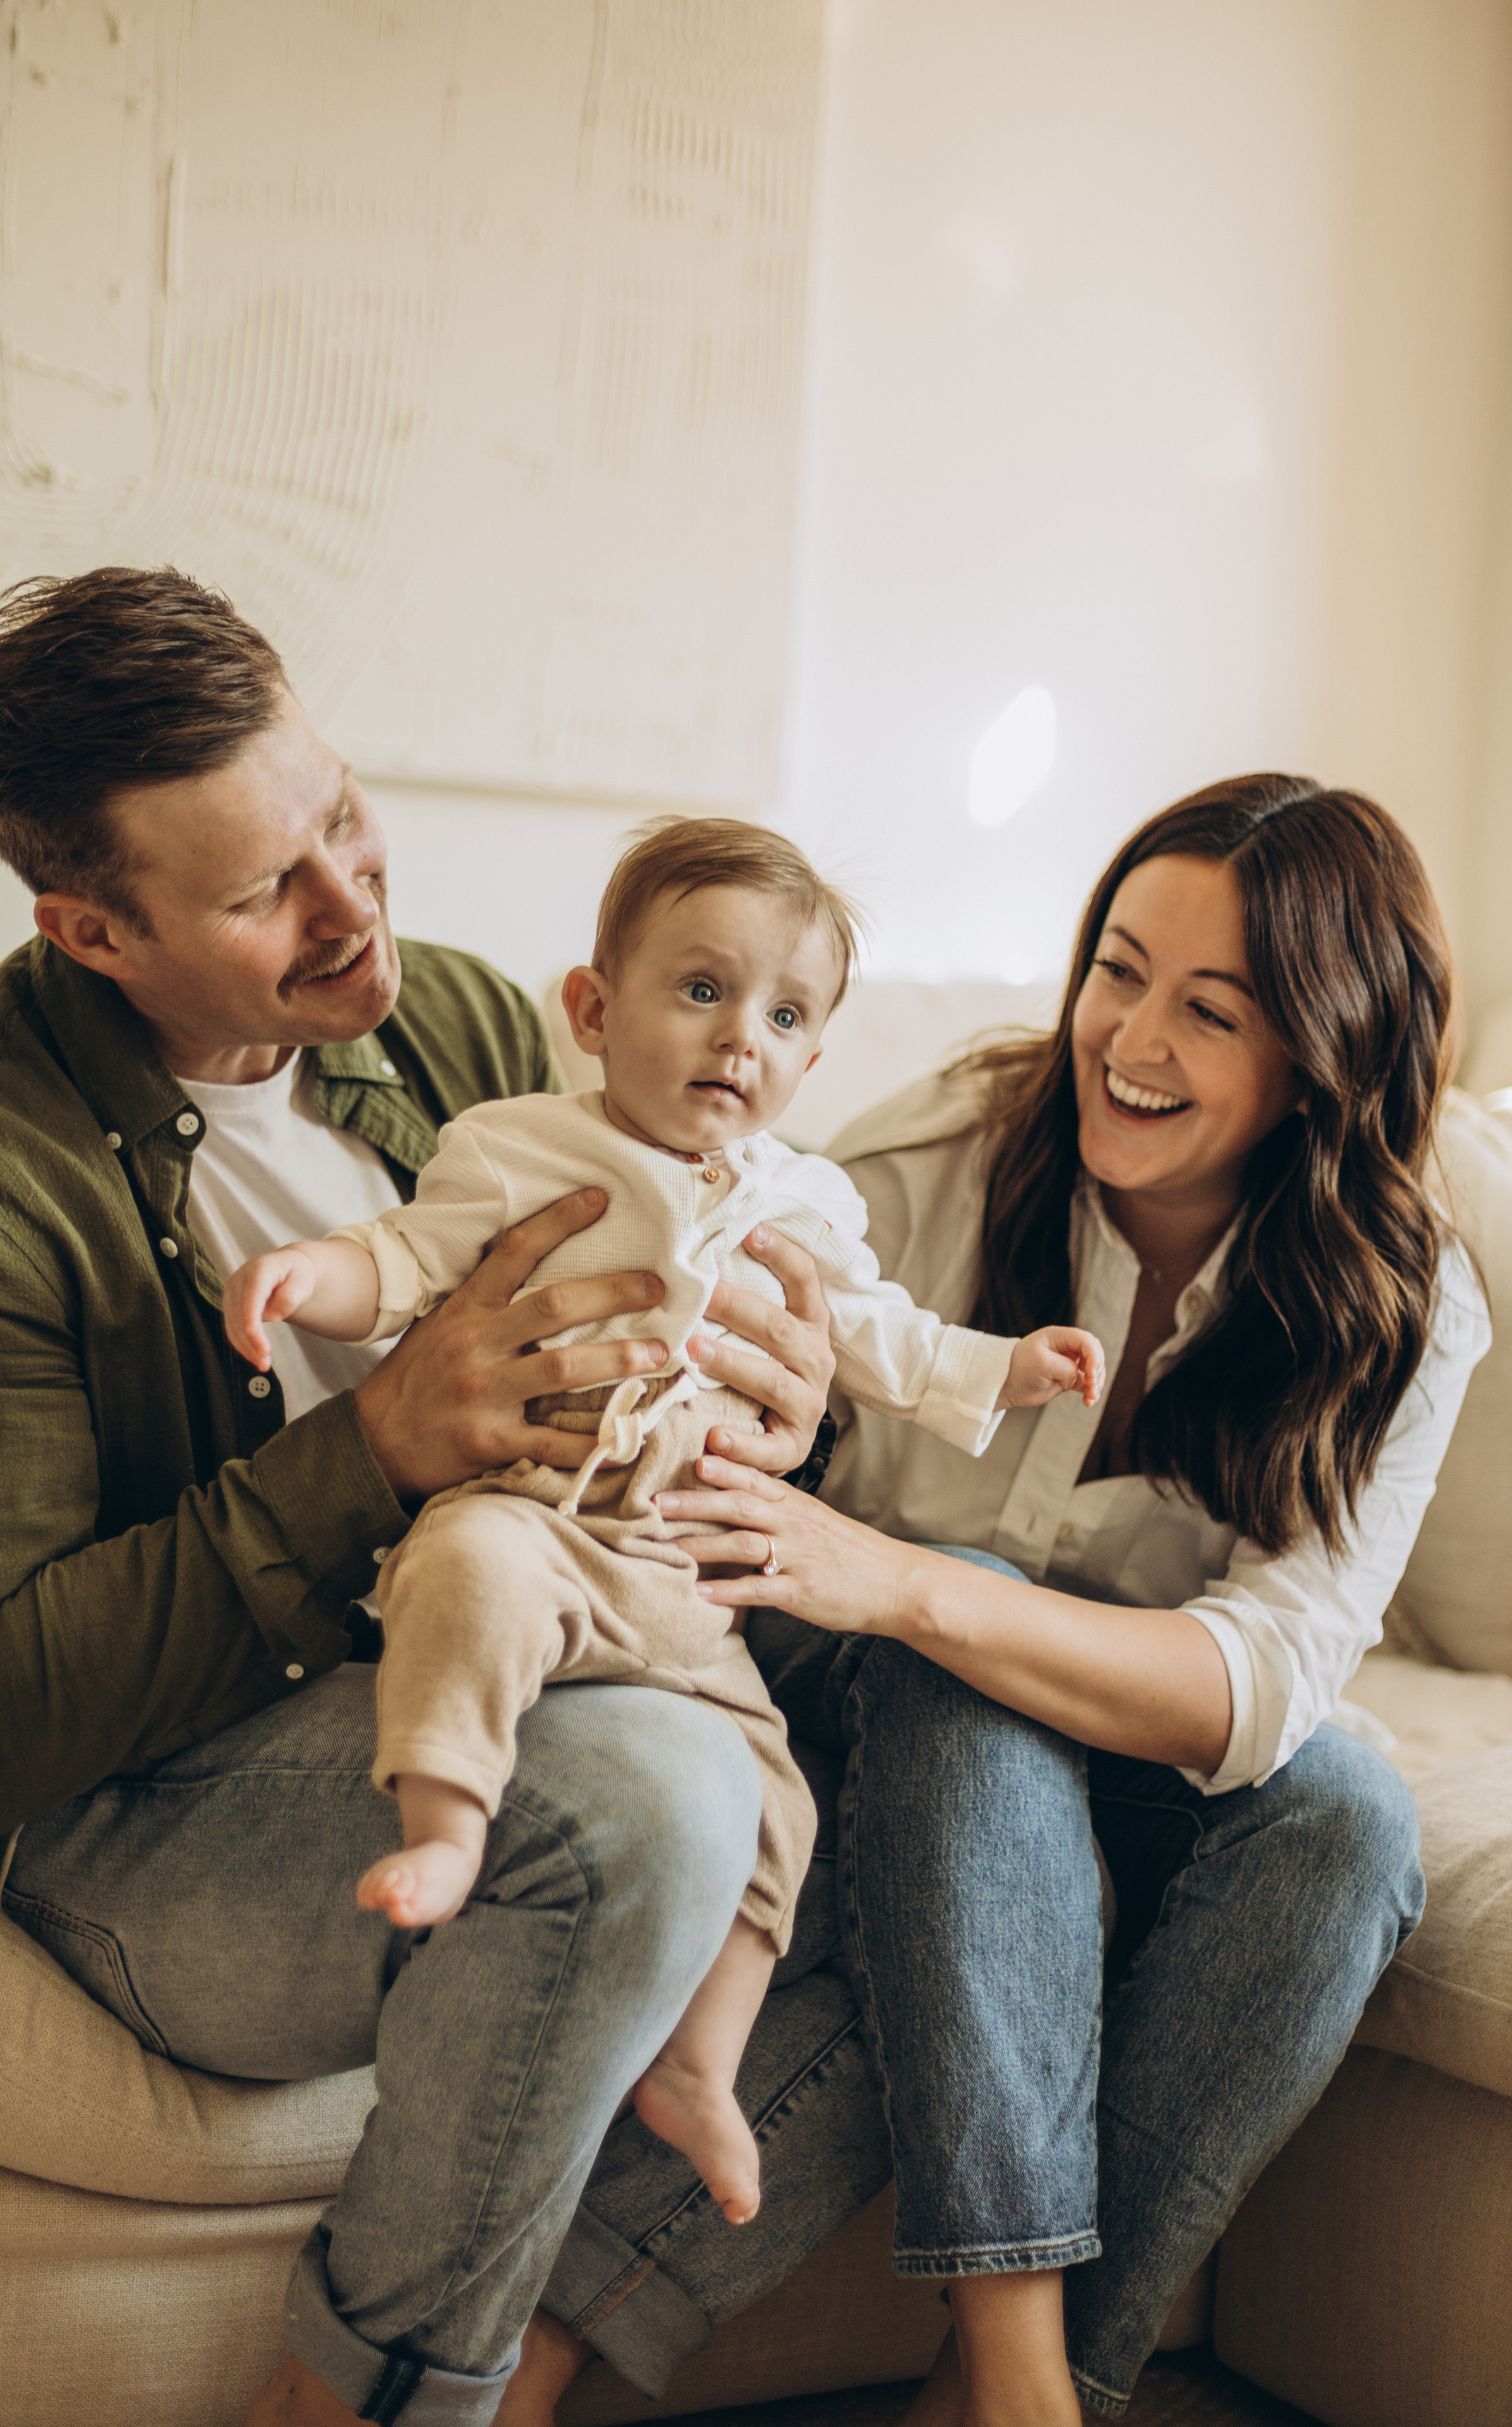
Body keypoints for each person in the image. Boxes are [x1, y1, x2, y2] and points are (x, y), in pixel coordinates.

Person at [0, 566, 895, 2427]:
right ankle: (379, 2402)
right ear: (93, 929)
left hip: (512, 1631)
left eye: (342, 819)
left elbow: (661, 1303)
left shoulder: (451, 1021)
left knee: (939, 1720)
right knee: (646, 1803)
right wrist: (373, 1453)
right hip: (151, 1797)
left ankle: (548, 2356)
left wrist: (784, 1398)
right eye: (267, 889)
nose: (355, 909)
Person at [651, 777, 1491, 2424]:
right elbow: (722, 1460)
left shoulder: (1402, 1302)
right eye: (1119, 968)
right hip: (839, 1709)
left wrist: (910, 1588)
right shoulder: (925, 1166)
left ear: (1323, 1054)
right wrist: (832, 1500)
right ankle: (1021, 2388)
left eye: (1211, 1009)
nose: (1131, 1036)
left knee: (1346, 1823)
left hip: (1072, 1726)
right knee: (962, 1640)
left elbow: (1265, 1684)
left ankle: (1029, 2391)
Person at [221, 815, 1104, 2228]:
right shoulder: (516, 1148)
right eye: (699, 991)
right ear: (592, 1009)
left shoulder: (805, 1199)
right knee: (466, 1576)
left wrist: (1001, 1369)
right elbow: (401, 1260)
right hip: (538, 1508)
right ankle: (447, 1817)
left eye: (783, 1014)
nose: (737, 1037)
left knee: (776, 1798)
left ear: (811, 1060)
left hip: (680, 1570)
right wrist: (304, 1279)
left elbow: (877, 1336)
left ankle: (701, 2063)